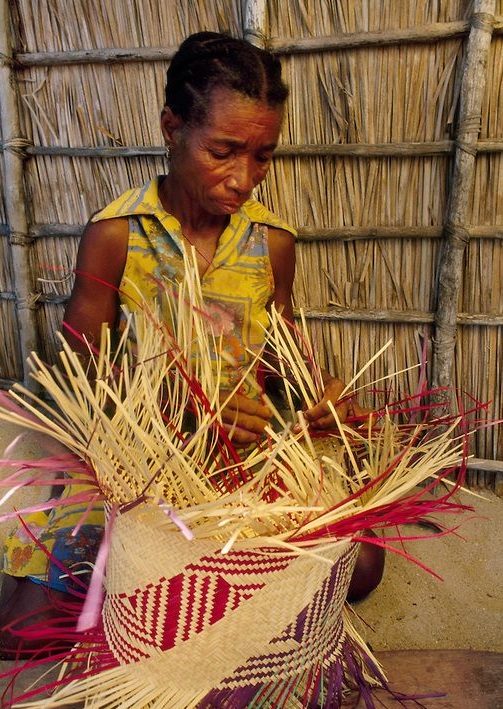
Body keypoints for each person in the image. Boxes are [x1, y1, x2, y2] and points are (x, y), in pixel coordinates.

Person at [0, 31, 383, 658]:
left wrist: (322, 400)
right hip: (137, 464)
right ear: (172, 127)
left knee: (361, 567)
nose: (243, 179)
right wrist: (174, 400)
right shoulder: (117, 235)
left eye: (262, 156)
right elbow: (70, 380)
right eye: (224, 151)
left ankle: (191, 583)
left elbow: (288, 361)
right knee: (27, 627)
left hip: (242, 456)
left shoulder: (272, 243)